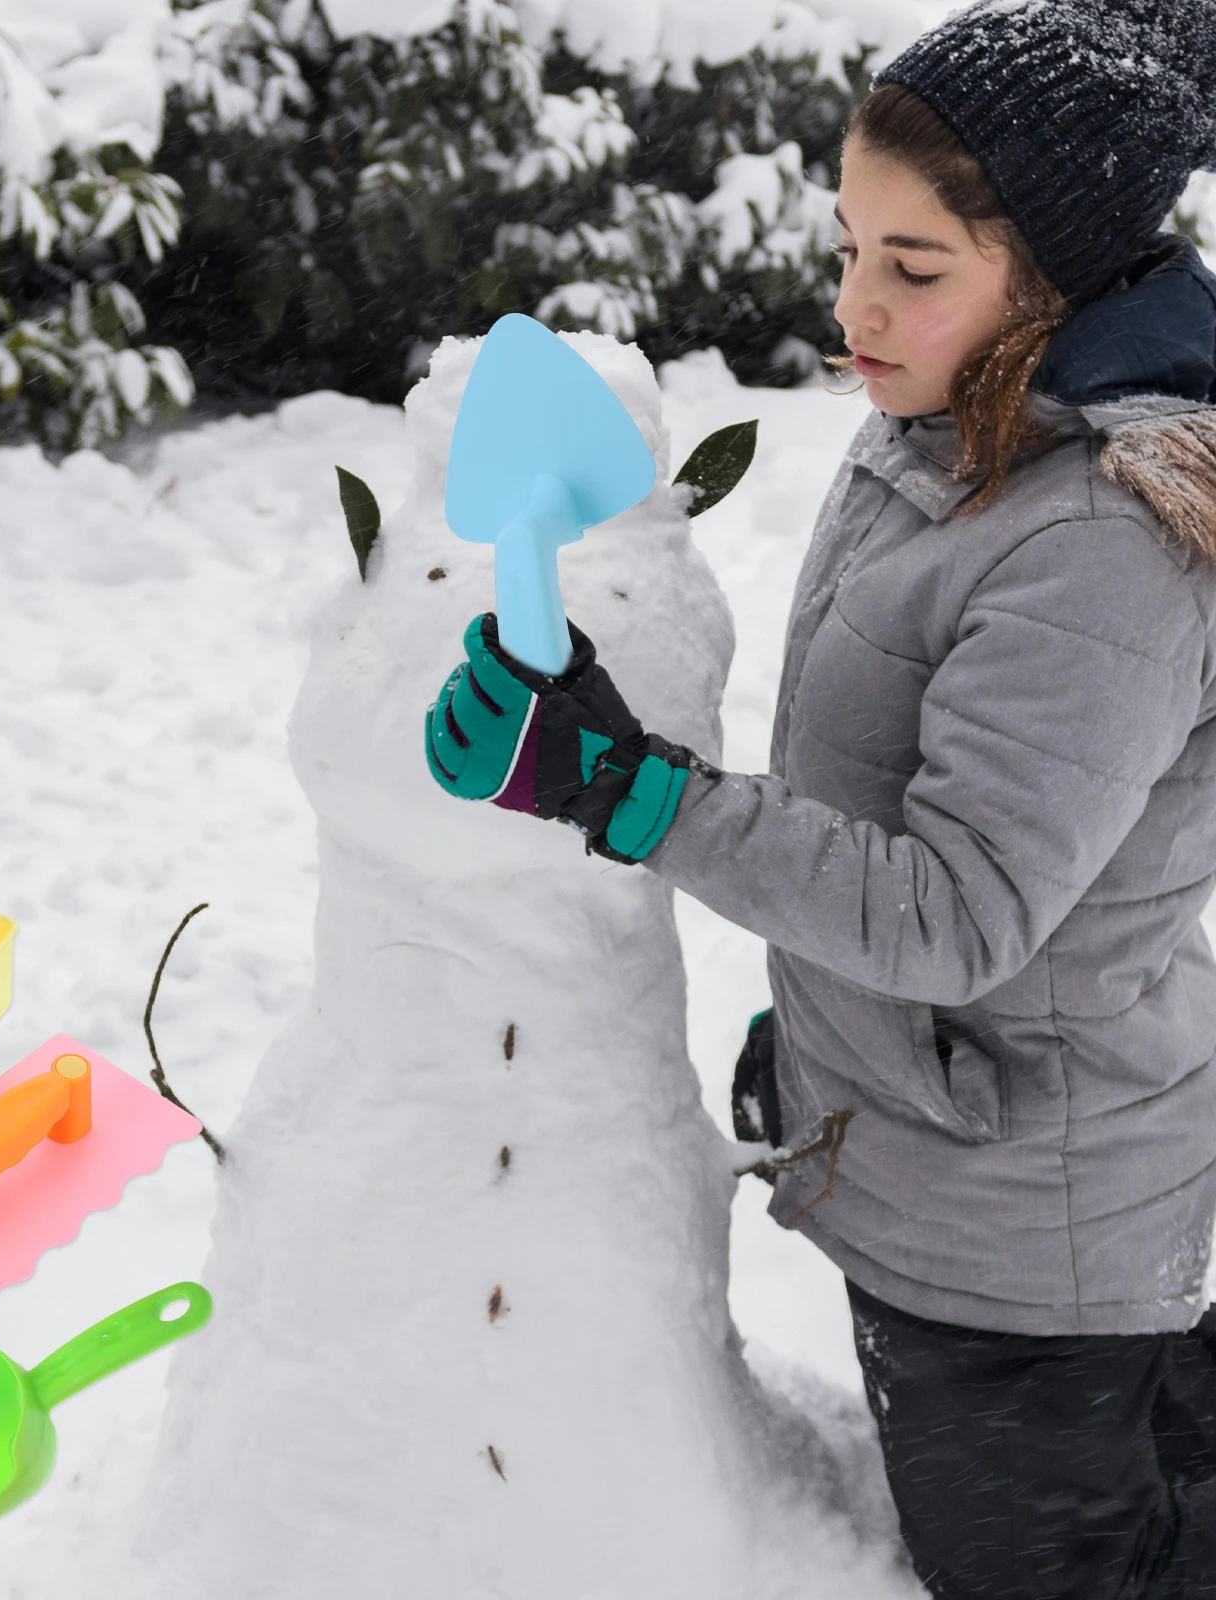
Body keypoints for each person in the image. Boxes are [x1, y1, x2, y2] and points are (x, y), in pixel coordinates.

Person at [425, 2, 1216, 1594]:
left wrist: (625, 790)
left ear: (1048, 281)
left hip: (1023, 1239)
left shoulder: (1099, 543)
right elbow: (896, 787)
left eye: (914, 268)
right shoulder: (951, 419)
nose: (854, 302)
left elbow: (958, 910)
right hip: (951, 1135)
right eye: (851, 241)